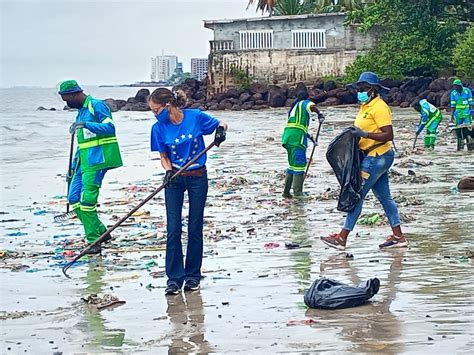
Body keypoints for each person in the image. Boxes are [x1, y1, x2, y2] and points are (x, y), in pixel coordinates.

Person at [148, 88, 228, 296]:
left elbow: (221, 123)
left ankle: (193, 276)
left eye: (156, 110)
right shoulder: (158, 128)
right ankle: (174, 279)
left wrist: (220, 133)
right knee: (173, 228)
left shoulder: (195, 117)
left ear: (167, 106)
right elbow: (163, 155)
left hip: (197, 177)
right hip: (174, 179)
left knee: (195, 226)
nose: (155, 115)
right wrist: (167, 171)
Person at [320, 72, 408, 250]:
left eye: (363, 88)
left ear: (373, 90)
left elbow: (388, 135)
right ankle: (398, 236)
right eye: (358, 88)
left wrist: (364, 134)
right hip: (372, 156)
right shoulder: (365, 107)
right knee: (385, 198)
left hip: (378, 157)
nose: (360, 91)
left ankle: (342, 238)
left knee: (356, 194)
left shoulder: (379, 107)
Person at [59, 80, 123, 254]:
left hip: (97, 161)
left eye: (66, 100)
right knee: (73, 198)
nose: (66, 104)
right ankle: (102, 231)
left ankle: (93, 241)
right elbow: (82, 145)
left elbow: (110, 128)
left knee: (87, 202)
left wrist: (87, 124)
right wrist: (72, 168)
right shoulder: (80, 113)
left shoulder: (97, 106)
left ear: (74, 94)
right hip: (82, 163)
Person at [282, 90, 324, 198]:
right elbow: (311, 106)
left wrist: (311, 138)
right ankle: (298, 192)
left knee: (292, 165)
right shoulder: (303, 103)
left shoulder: (294, 108)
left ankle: (286, 192)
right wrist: (319, 114)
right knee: (300, 164)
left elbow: (299, 127)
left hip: (288, 138)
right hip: (297, 139)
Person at [450, 79, 473, 149]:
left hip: (466, 113)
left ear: (460, 86)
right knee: (458, 129)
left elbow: (471, 103)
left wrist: (472, 112)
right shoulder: (453, 93)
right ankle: (460, 145)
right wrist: (452, 115)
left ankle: (470, 145)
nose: (455, 88)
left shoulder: (467, 91)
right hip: (458, 114)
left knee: (468, 128)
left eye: (456, 86)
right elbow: (453, 105)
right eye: (454, 86)